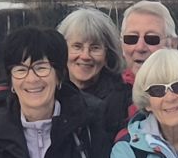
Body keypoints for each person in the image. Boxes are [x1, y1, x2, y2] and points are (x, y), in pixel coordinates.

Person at [56, 7, 133, 136]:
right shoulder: (50, 94)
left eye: (95, 48)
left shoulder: (124, 98)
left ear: (107, 54)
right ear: (62, 50)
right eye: (77, 47)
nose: (85, 56)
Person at [121, 0, 178, 75]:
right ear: (122, 45)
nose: (140, 48)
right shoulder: (108, 85)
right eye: (131, 39)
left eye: (151, 39)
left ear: (172, 44)